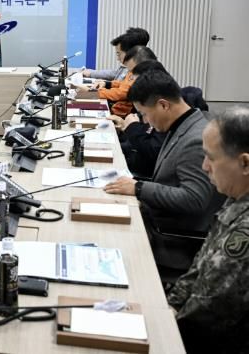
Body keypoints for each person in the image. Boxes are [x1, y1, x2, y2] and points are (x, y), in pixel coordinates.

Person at [104, 70, 224, 275]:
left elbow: (194, 199)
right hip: (158, 219)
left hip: (172, 240)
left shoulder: (196, 140)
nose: (146, 121)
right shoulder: (185, 123)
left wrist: (139, 188)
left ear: (163, 105)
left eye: (145, 114)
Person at [167, 108, 249, 354]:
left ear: (245, 163)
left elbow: (210, 308)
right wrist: (170, 305)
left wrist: (160, 323)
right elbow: (199, 271)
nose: (204, 166)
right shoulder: (236, 197)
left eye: (211, 158)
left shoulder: (245, 229)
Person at [75, 45, 157, 118]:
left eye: (119, 53)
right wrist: (107, 84)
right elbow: (125, 83)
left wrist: (93, 92)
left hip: (122, 114)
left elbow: (121, 93)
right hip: (118, 109)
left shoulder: (145, 80)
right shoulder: (136, 72)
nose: (130, 73)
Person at [83, 27, 149, 80]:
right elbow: (115, 74)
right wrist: (92, 73)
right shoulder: (130, 67)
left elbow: (121, 90)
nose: (118, 58)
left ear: (131, 52)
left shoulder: (140, 74)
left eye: (118, 54)